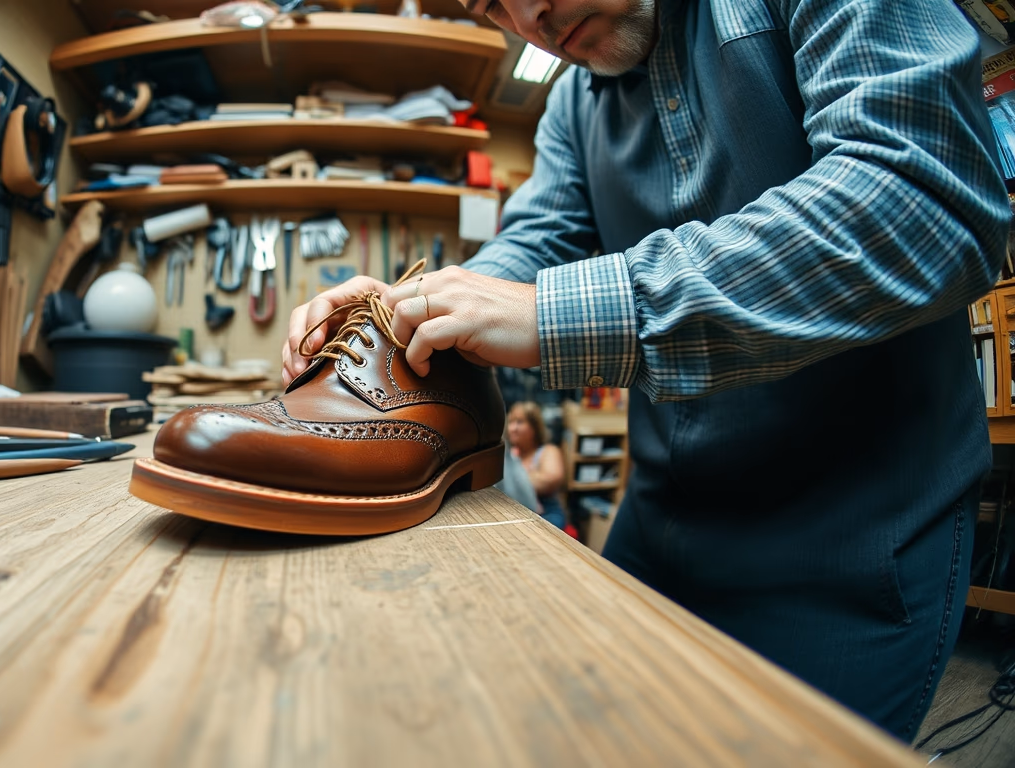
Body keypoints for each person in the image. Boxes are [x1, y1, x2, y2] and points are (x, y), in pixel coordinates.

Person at [280, 0, 1009, 742]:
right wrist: (416, 309)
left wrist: (553, 314)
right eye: (487, 5)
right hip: (662, 519)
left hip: (855, 539)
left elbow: (921, 200)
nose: (528, 14)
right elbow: (539, 238)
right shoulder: (571, 101)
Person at [506, 401, 569, 530]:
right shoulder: (510, 455)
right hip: (515, 513)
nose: (512, 428)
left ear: (535, 427)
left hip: (547, 514)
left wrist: (512, 481)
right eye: (510, 422)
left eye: (519, 422)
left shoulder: (548, 451)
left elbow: (550, 480)